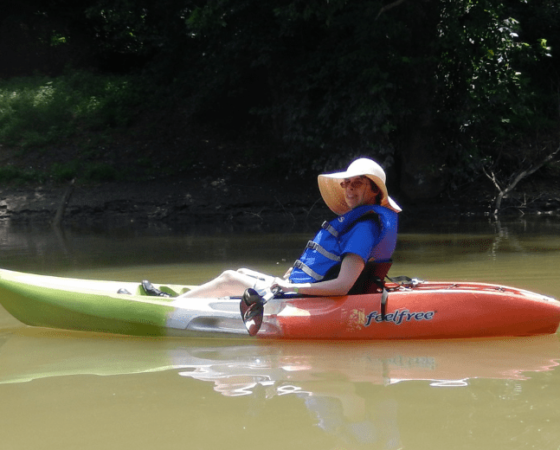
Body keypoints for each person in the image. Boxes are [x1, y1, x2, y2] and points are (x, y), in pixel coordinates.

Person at [142, 157, 401, 299]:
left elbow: (343, 286)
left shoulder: (363, 228)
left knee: (230, 278)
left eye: (357, 183)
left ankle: (170, 306)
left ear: (374, 190)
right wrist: (292, 281)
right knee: (241, 272)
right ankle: (189, 300)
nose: (349, 189)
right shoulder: (362, 223)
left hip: (308, 298)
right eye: (347, 184)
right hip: (303, 290)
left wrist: (292, 287)